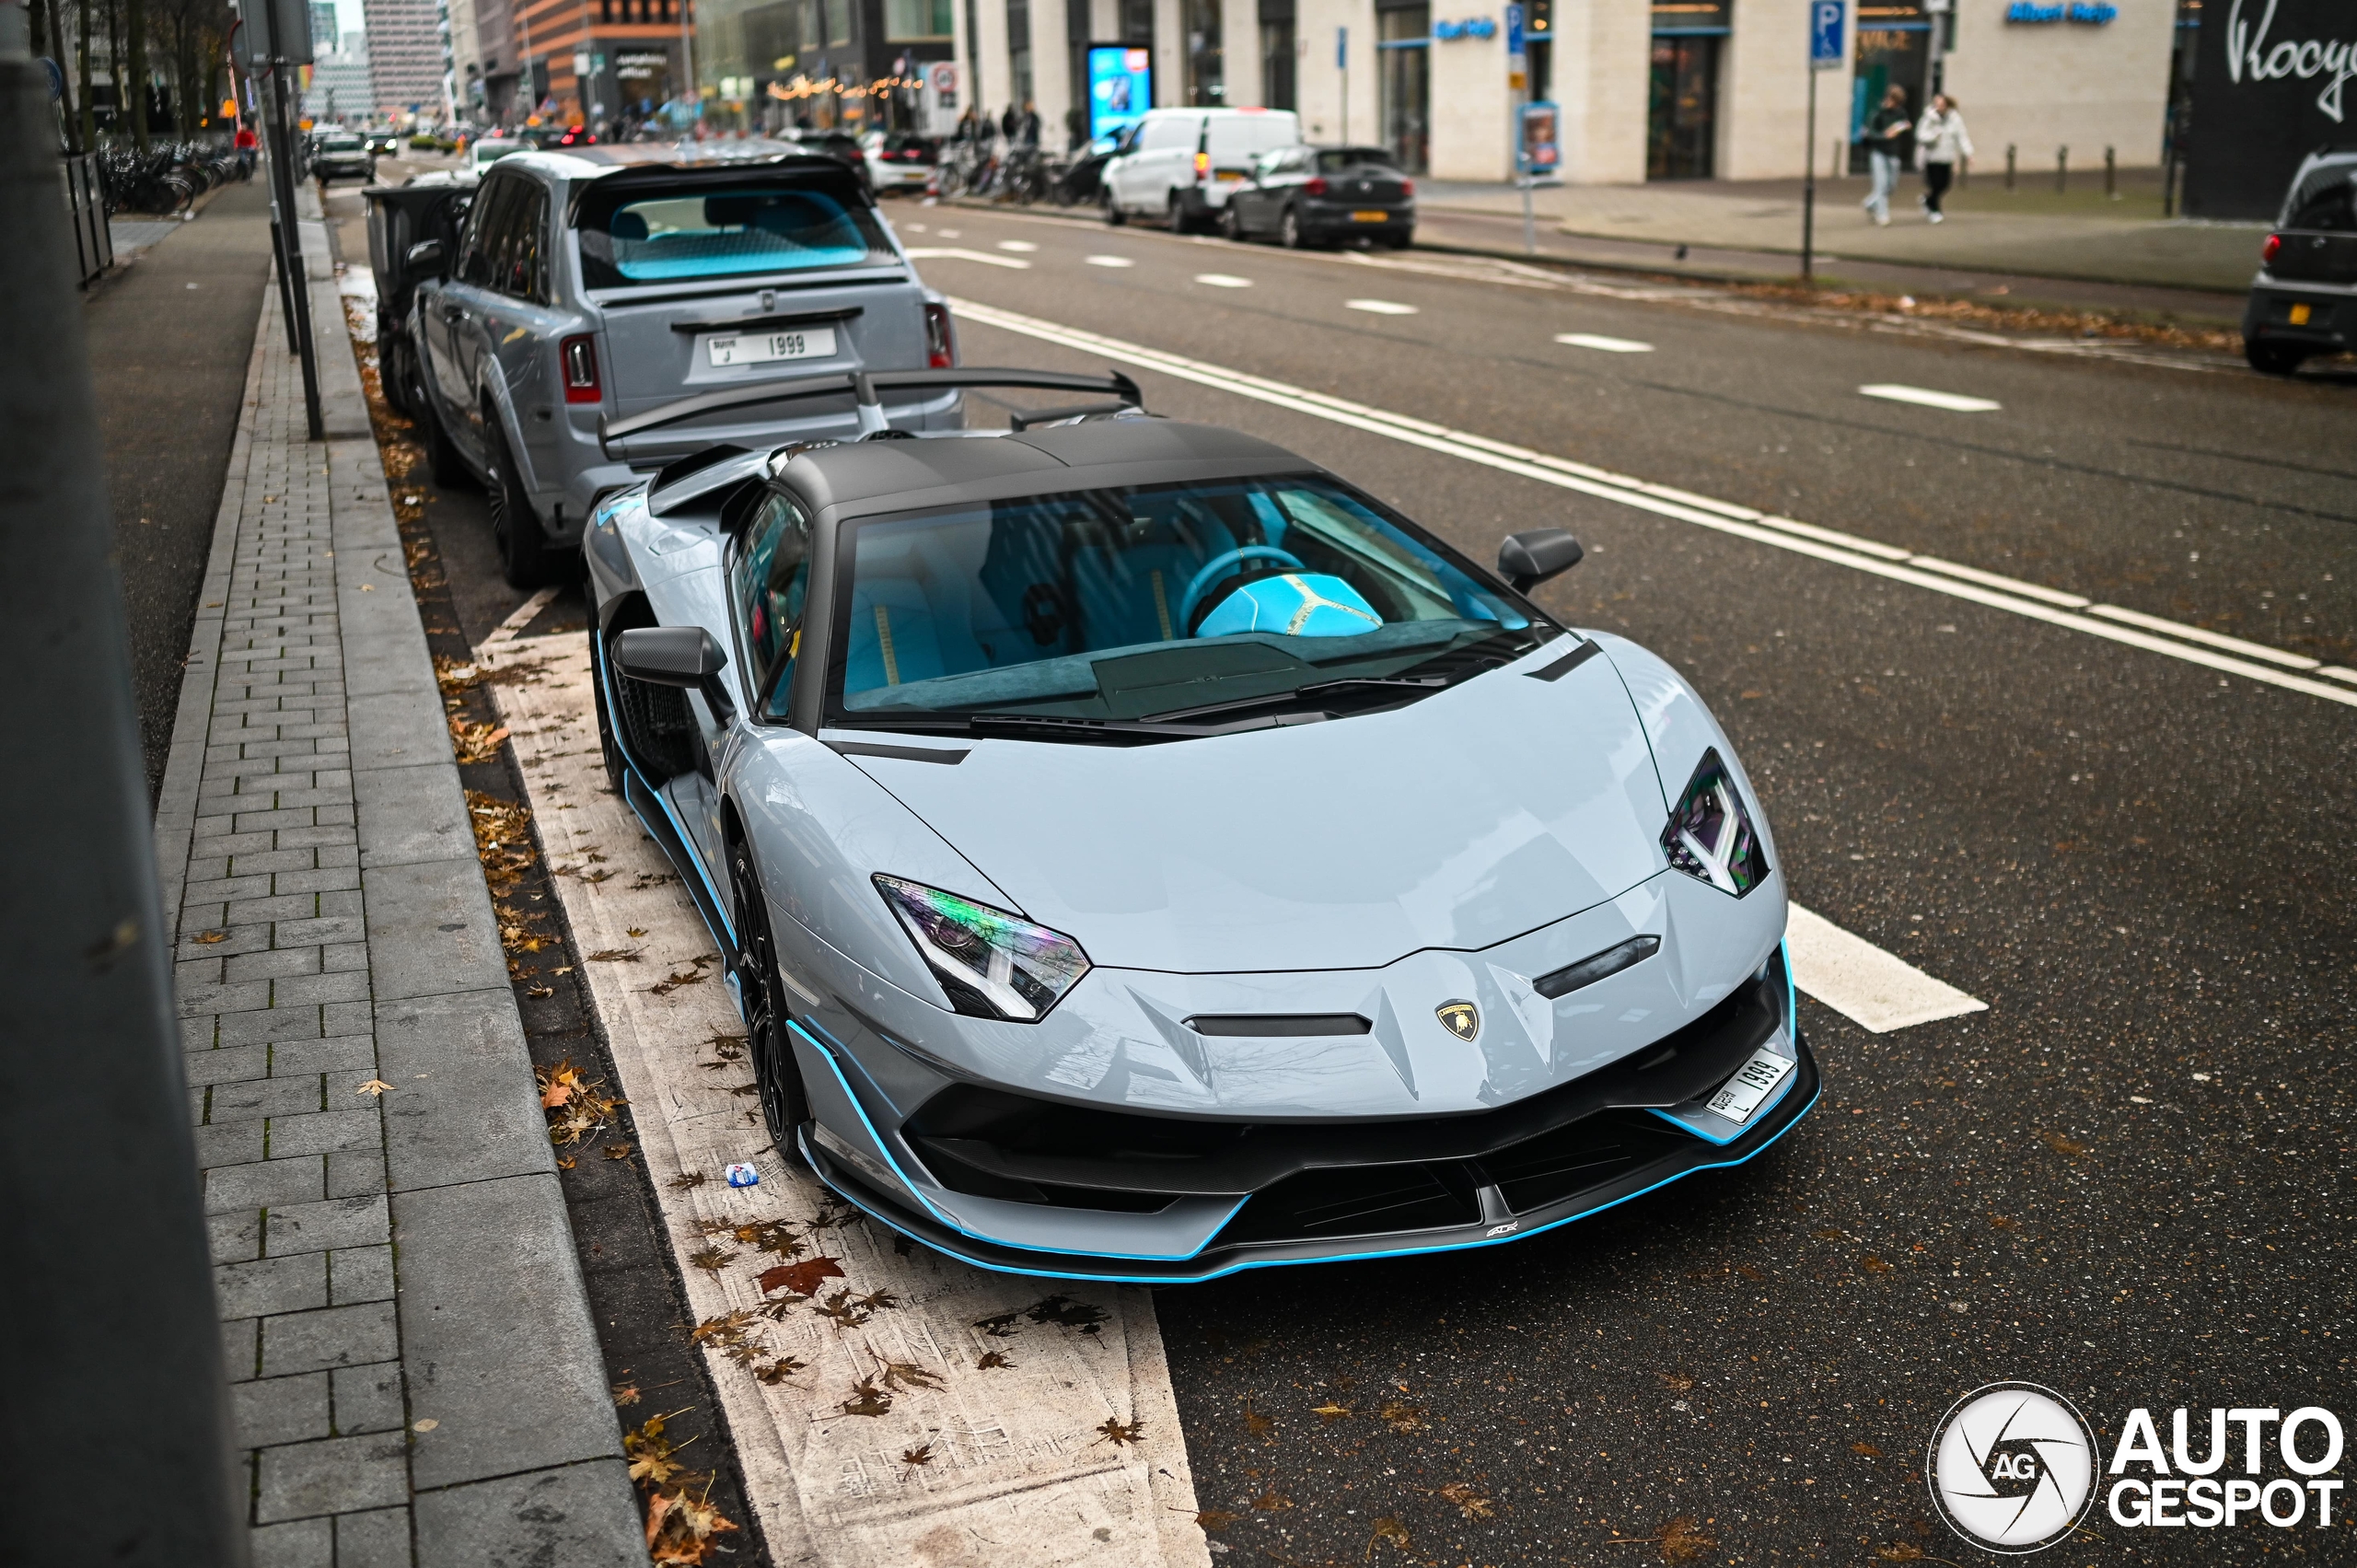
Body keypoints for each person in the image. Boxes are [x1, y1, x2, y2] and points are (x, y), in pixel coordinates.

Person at [1915, 94, 1972, 224]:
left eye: (1941, 104)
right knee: (1935, 184)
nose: (1938, 107)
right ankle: (1935, 211)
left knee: (1945, 185)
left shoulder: (1955, 119)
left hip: (1947, 158)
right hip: (1932, 158)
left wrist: (1968, 153)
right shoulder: (1928, 118)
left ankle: (1927, 200)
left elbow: (1962, 137)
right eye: (1936, 104)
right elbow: (1920, 135)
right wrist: (1933, 137)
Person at [1860, 86, 1911, 227]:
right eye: (1891, 100)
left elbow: (1904, 125)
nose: (1893, 104)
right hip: (1878, 153)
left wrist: (1904, 127)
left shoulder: (1900, 112)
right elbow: (1869, 132)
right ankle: (1882, 215)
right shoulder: (1877, 112)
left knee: (1891, 186)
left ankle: (1870, 203)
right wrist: (1884, 135)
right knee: (1881, 185)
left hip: (1893, 153)